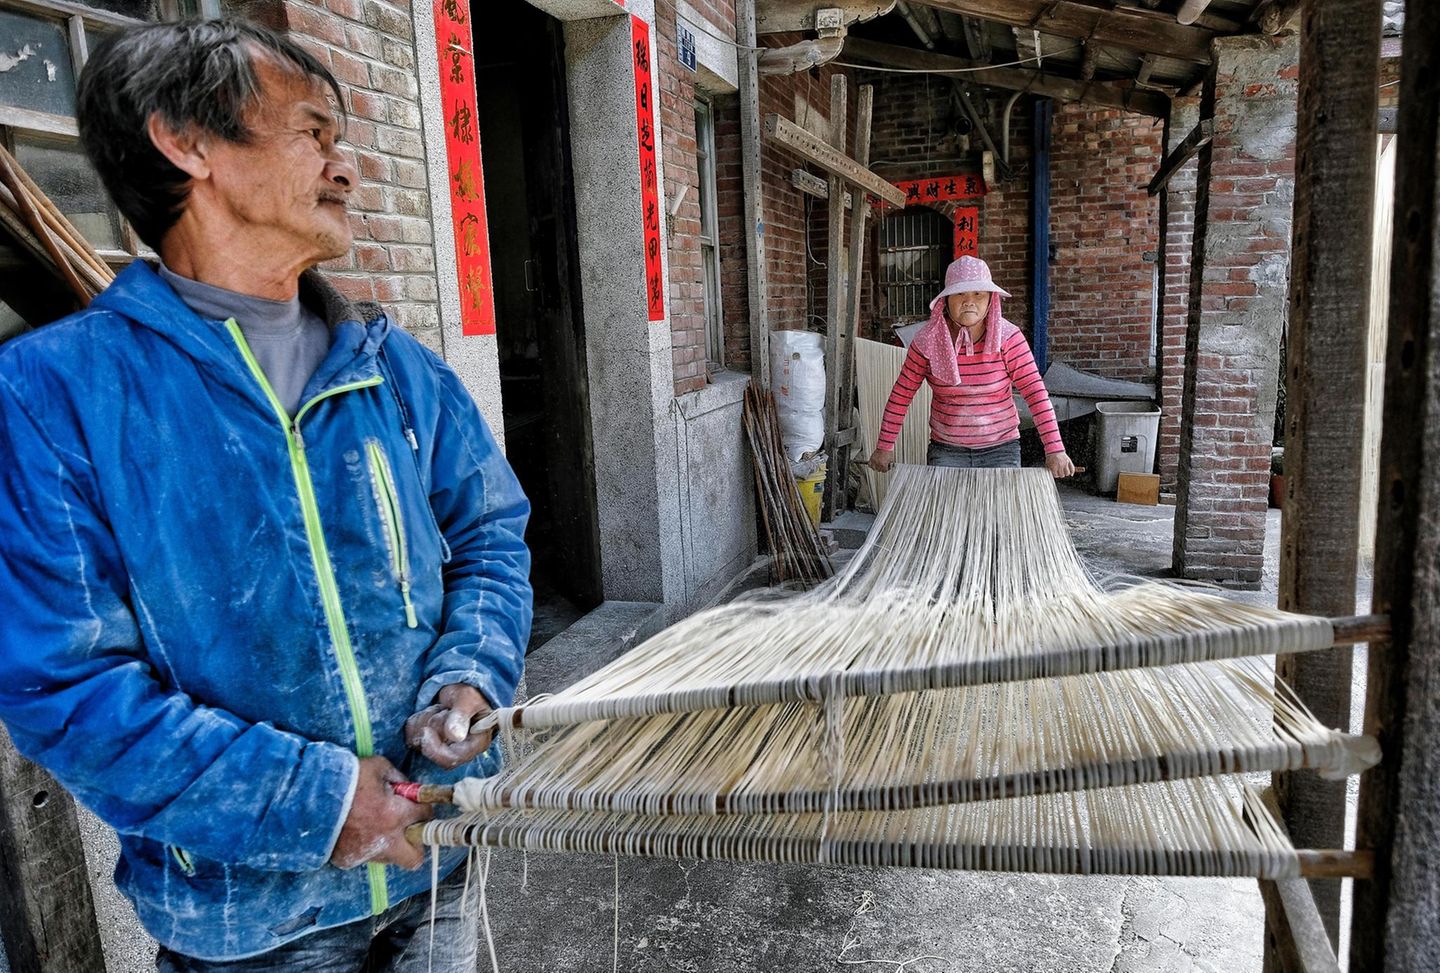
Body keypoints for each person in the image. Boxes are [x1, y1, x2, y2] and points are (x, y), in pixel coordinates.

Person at [0, 20, 532, 972]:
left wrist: (471, 676)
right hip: (249, 926)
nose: (346, 168)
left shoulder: (395, 370)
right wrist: (320, 804)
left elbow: (491, 533)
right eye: (314, 133)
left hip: (439, 865)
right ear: (186, 142)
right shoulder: (55, 396)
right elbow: (63, 686)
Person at [868, 255, 1077, 478]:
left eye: (978, 293)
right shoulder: (927, 342)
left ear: (990, 300)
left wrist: (1055, 449)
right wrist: (884, 446)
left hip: (1001, 449)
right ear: (946, 301)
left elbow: (1035, 393)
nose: (969, 301)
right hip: (947, 451)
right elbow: (901, 395)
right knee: (948, 503)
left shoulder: (1008, 338)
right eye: (960, 294)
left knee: (997, 503)